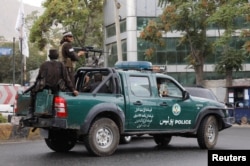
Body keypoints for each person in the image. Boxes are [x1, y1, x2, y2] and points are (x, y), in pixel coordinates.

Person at [26, 49, 79, 119]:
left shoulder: (44, 64)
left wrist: (36, 86)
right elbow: (67, 79)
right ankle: (54, 113)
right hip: (57, 88)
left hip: (45, 87)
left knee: (33, 93)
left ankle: (31, 112)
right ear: (57, 56)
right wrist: (73, 90)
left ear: (49, 56)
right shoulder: (61, 65)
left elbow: (39, 77)